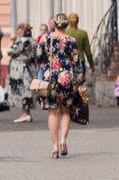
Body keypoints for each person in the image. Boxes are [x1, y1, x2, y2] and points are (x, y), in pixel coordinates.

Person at [35, 13, 84, 159]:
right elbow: (77, 62)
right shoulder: (71, 40)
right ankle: (63, 140)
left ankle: (55, 147)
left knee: (53, 113)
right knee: (65, 112)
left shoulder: (45, 38)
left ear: (54, 24)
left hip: (50, 77)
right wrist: (79, 80)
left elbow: (37, 57)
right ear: (66, 25)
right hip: (67, 78)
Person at [7, 23, 36, 123]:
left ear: (23, 31)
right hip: (29, 68)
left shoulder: (21, 41)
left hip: (20, 69)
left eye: (19, 30)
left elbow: (10, 51)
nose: (17, 32)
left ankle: (25, 114)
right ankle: (27, 113)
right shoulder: (33, 41)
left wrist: (11, 41)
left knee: (22, 89)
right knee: (27, 90)